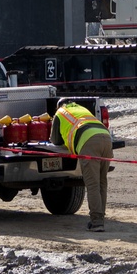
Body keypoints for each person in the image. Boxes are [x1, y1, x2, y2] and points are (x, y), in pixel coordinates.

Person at [50, 97, 114, 231]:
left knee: (92, 184)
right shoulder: (81, 109)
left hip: (88, 142)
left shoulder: (60, 113)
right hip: (106, 138)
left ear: (59, 106)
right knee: (102, 182)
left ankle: (97, 222)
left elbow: (55, 140)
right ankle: (100, 217)